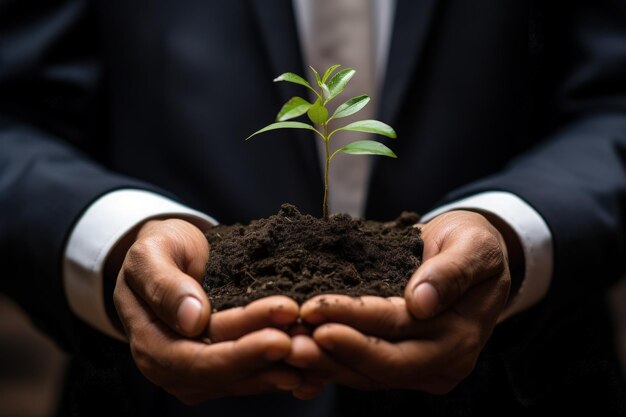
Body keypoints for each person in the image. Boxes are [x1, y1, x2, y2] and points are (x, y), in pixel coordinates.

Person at [1, 0, 625, 416]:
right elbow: (15, 116)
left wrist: (511, 233)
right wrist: (116, 243)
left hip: (519, 387)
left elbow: (611, 102)